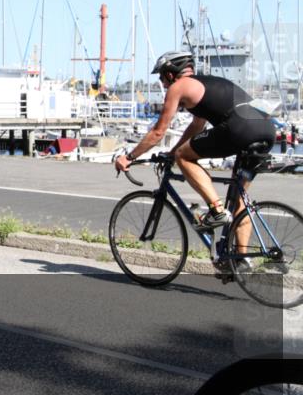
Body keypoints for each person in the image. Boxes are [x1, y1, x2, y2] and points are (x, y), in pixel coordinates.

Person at [114, 51, 276, 271]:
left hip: (240, 128)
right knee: (239, 201)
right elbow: (196, 126)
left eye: (161, 77)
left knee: (184, 156)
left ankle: (217, 210)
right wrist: (172, 152)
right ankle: (241, 259)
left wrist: (129, 157)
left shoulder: (179, 87)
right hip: (266, 129)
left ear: (171, 73)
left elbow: (158, 131)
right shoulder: (207, 84)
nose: (162, 83)